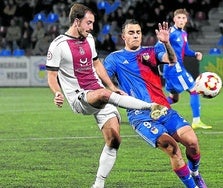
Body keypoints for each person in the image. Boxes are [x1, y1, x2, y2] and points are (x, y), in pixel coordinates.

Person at [45, 4, 166, 188]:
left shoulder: (90, 39)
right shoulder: (58, 45)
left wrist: (111, 86)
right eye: (88, 23)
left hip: (100, 91)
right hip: (80, 97)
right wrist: (57, 93)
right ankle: (150, 106)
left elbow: (97, 64)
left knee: (114, 139)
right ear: (77, 21)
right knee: (103, 93)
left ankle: (98, 184)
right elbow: (51, 76)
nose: (91, 27)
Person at [104, 19, 207, 188]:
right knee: (172, 148)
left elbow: (172, 59)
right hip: (140, 116)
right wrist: (113, 89)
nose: (135, 35)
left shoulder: (153, 51)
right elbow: (102, 79)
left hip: (163, 109)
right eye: (131, 32)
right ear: (123, 36)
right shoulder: (114, 59)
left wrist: (166, 43)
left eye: (138, 32)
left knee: (193, 143)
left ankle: (195, 173)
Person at [162, 8, 211, 129]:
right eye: (179, 18)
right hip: (174, 68)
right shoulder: (170, 33)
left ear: (186, 20)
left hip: (174, 69)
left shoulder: (183, 33)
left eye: (183, 18)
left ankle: (152, 108)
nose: (181, 20)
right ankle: (196, 121)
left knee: (174, 98)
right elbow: (159, 47)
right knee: (194, 90)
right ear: (174, 19)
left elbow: (186, 50)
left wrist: (195, 54)